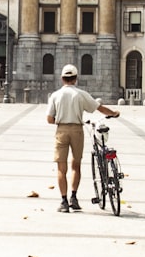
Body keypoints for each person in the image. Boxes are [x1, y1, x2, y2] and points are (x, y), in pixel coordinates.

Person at [46, 64, 120, 213]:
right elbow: (98, 107)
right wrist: (113, 113)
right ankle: (74, 198)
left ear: (62, 79)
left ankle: (63, 201)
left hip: (61, 130)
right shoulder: (80, 94)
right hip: (77, 130)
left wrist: (61, 120)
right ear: (75, 79)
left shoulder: (55, 95)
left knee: (61, 168)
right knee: (76, 165)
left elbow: (49, 119)